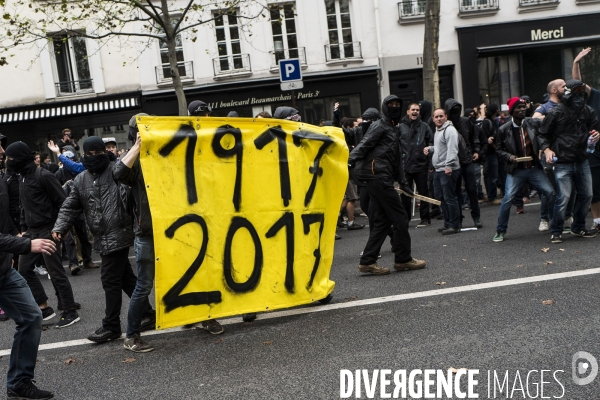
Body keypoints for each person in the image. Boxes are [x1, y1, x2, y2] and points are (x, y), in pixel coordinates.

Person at [115, 110, 224, 353]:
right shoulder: (137, 161)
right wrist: (137, 147)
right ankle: (131, 336)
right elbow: (118, 173)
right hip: (149, 233)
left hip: (181, 228)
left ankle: (203, 316)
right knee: (144, 284)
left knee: (194, 273)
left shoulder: (171, 153)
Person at [53, 136, 155, 343]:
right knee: (125, 278)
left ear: (104, 152)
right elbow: (71, 206)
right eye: (89, 154)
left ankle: (111, 326)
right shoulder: (81, 179)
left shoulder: (117, 171)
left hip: (120, 232)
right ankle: (147, 313)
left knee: (110, 280)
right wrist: (60, 227)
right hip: (101, 236)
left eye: (97, 153)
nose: (93, 157)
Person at [5, 141, 80, 328]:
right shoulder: (21, 178)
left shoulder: (44, 175)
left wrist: (59, 230)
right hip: (31, 233)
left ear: (21, 158)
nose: (8, 161)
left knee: (56, 272)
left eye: (11, 158)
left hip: (49, 230)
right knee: (24, 271)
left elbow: (64, 204)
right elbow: (24, 206)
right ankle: (44, 307)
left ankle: (70, 310)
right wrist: (23, 229)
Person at [1, 141, 55, 399]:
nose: (3, 155)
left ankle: (18, 383)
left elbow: (7, 217)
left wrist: (17, 233)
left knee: (32, 317)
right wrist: (25, 243)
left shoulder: (7, 178)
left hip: (3, 269)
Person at [349, 95, 426, 275]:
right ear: (384, 107)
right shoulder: (379, 126)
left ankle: (367, 261)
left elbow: (397, 159)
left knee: (382, 222)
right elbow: (363, 145)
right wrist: (350, 161)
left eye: (397, 105)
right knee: (400, 217)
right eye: (390, 105)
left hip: (381, 177)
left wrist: (403, 182)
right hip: (376, 177)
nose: (394, 108)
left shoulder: (394, 128)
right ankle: (403, 259)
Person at [538, 79, 600, 243]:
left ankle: (578, 227)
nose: (579, 96)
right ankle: (556, 230)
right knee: (564, 197)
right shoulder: (556, 112)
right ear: (567, 94)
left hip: (582, 159)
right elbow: (542, 134)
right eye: (576, 93)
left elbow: (595, 130)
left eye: (582, 93)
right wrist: (547, 150)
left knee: (587, 194)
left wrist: (596, 135)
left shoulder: (588, 111)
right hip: (563, 162)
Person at [492, 98, 556, 242]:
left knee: (550, 192)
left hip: (534, 168)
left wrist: (544, 148)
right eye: (519, 107)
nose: (522, 109)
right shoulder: (503, 129)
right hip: (516, 171)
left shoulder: (533, 123)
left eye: (523, 107)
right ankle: (500, 230)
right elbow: (498, 150)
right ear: (512, 111)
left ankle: (556, 225)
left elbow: (546, 129)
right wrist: (509, 157)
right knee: (508, 198)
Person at [572, 47, 600, 233]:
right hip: (593, 150)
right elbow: (578, 84)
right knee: (595, 187)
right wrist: (576, 63)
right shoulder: (593, 96)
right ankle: (597, 222)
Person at [444, 98, 482, 229]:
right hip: (454, 162)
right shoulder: (445, 125)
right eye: (452, 109)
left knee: (472, 189)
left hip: (466, 159)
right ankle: (458, 218)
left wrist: (476, 150)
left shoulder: (466, 122)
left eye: (457, 109)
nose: (455, 112)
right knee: (456, 192)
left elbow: (474, 137)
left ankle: (476, 216)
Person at [425, 108, 461, 235]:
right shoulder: (438, 130)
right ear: (433, 119)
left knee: (449, 197)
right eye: (436, 117)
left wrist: (449, 166)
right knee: (441, 197)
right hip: (438, 169)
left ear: (446, 116)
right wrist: (431, 149)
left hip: (447, 169)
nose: (439, 119)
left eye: (441, 116)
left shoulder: (450, 130)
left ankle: (454, 225)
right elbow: (441, 147)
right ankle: (447, 223)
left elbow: (452, 149)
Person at [399, 102, 434, 227]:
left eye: (417, 110)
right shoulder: (400, 127)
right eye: (413, 110)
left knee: (423, 193)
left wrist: (430, 164)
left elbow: (431, 143)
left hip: (421, 165)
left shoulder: (424, 126)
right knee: (405, 194)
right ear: (408, 111)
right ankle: (405, 219)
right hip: (405, 166)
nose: (415, 112)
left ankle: (425, 218)